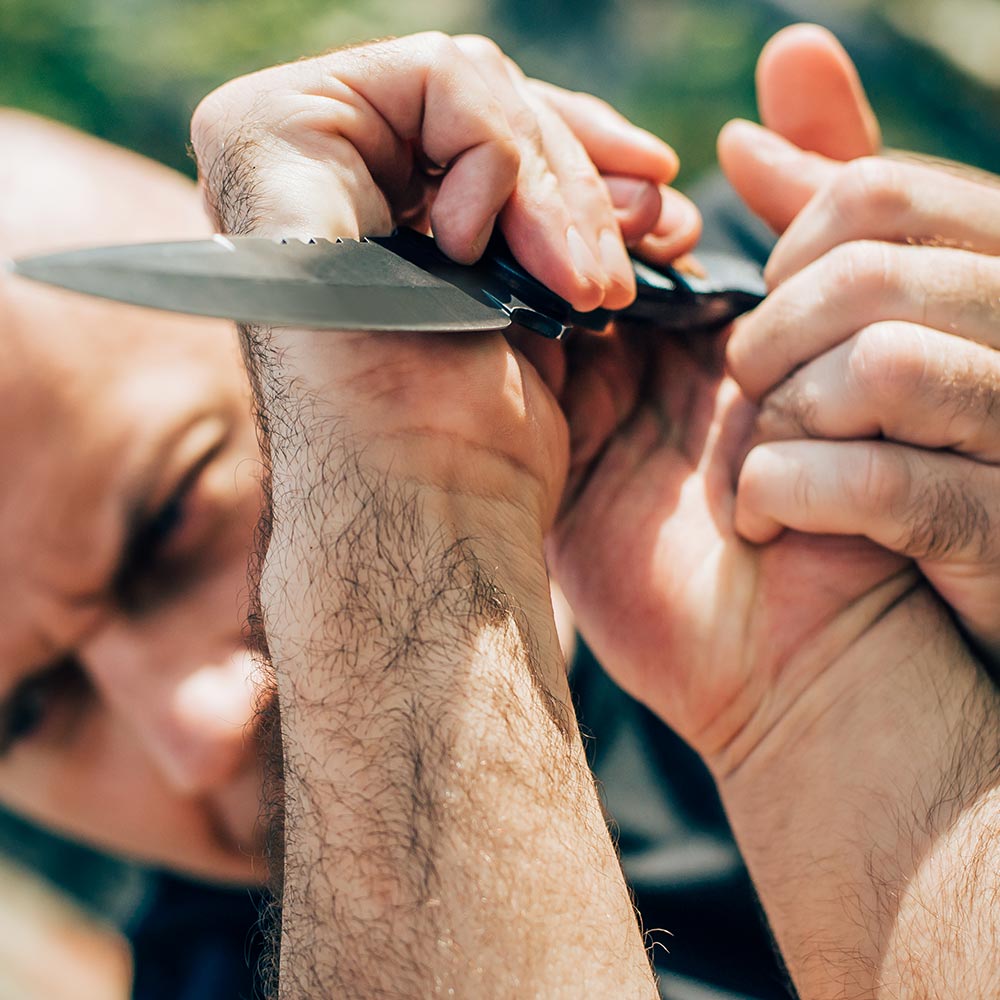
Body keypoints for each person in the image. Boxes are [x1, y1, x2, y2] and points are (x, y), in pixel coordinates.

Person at [0, 22, 995, 998]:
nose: (197, 731)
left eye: (168, 522)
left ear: (276, 313)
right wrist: (409, 502)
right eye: (29, 714)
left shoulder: (826, 325)